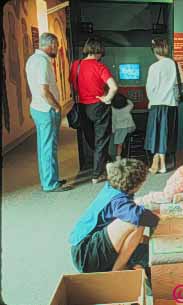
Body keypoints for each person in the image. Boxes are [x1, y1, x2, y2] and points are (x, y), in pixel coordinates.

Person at [69, 158, 160, 273]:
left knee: (143, 240)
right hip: (86, 255)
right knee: (137, 223)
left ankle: (123, 264)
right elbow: (137, 216)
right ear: (136, 185)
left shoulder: (112, 186)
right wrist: (158, 219)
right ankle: (117, 270)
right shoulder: (119, 201)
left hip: (83, 249)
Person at [25, 32, 72, 192]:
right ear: (51, 45)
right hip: (46, 110)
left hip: (38, 108)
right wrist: (57, 106)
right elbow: (44, 91)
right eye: (57, 46)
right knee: (49, 147)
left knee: (44, 146)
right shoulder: (43, 62)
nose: (57, 49)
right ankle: (50, 184)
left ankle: (48, 179)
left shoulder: (33, 59)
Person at [69, 37, 118, 184]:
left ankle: (103, 162)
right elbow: (114, 87)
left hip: (83, 107)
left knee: (91, 138)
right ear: (98, 51)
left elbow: (72, 83)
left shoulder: (75, 65)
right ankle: (97, 174)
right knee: (101, 140)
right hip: (98, 106)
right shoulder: (99, 66)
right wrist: (106, 98)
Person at [144, 39, 183, 175]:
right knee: (167, 135)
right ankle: (163, 163)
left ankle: (158, 162)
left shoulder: (154, 67)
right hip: (172, 104)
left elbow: (150, 88)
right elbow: (181, 83)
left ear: (155, 51)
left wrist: (151, 100)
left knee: (156, 135)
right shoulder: (175, 65)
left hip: (157, 104)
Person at [111, 93, 136, 161]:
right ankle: (127, 142)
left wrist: (113, 130)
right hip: (130, 127)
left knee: (119, 144)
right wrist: (126, 99)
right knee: (124, 138)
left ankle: (118, 158)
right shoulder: (128, 107)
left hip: (119, 129)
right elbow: (131, 103)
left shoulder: (113, 109)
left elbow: (113, 121)